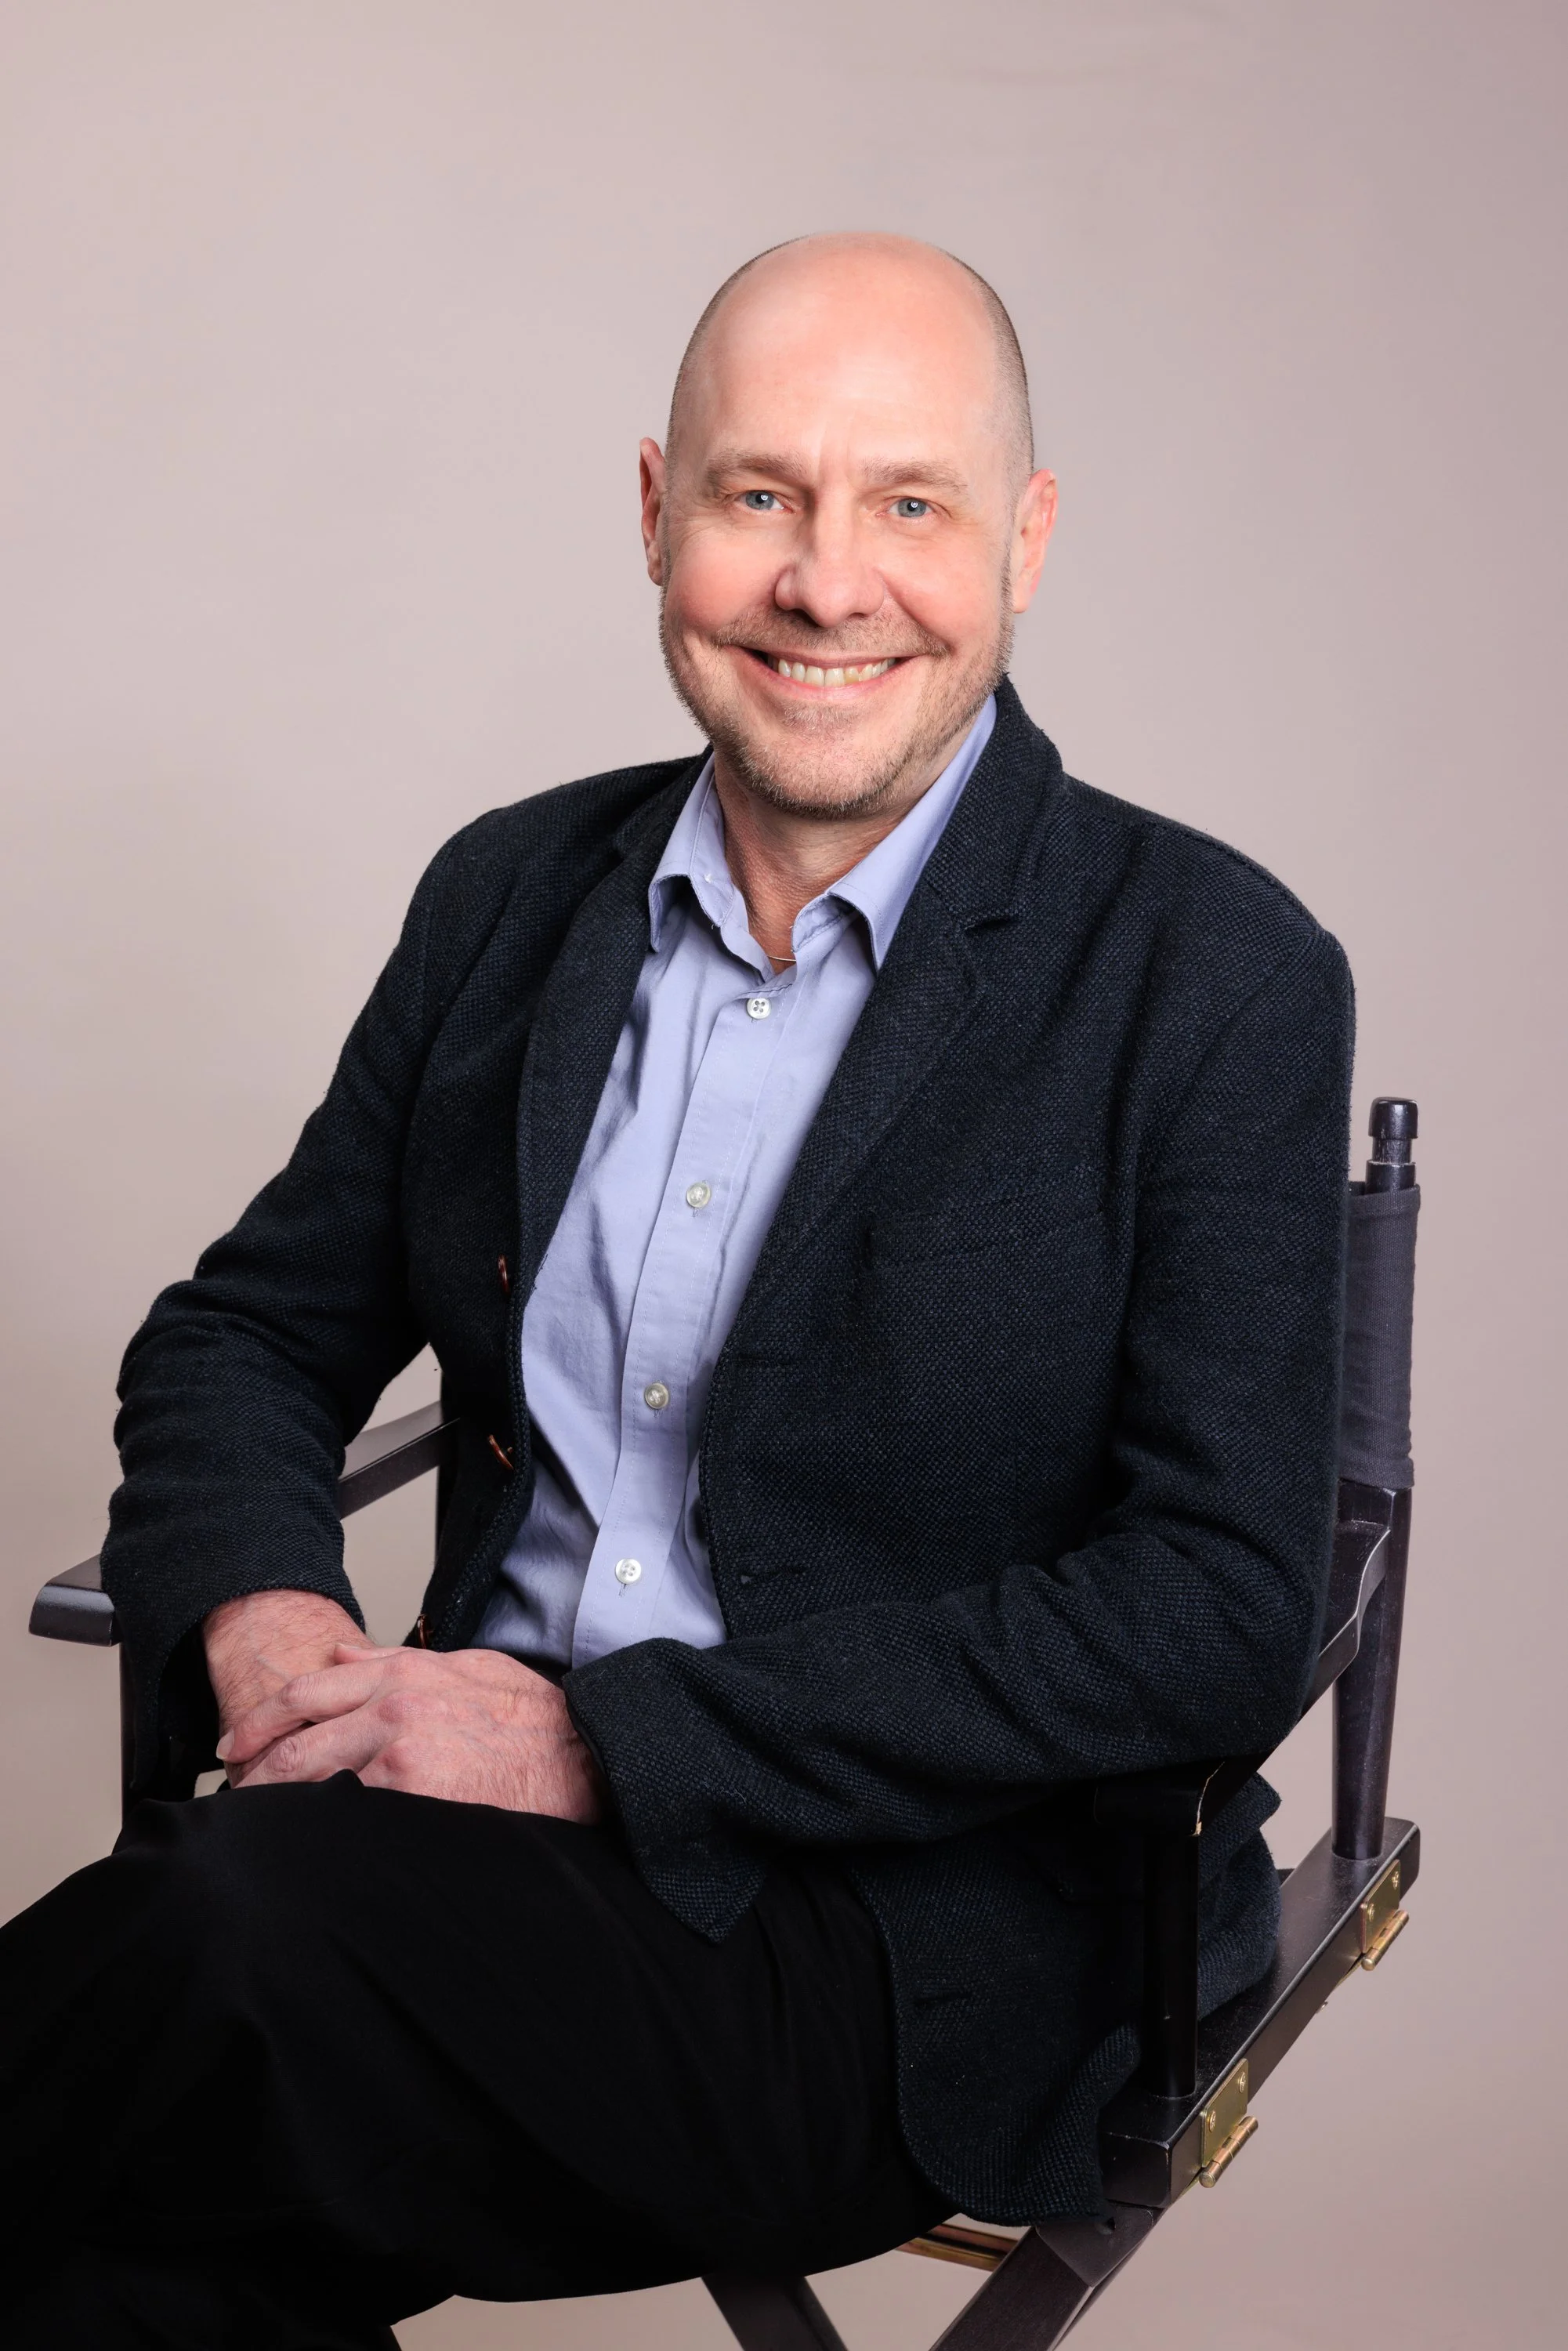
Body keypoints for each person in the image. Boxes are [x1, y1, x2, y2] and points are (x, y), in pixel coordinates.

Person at [0, 232, 1353, 2349]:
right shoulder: (514, 894)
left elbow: (1213, 1603)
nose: (830, 582)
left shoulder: (1210, 974)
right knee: (146, 2253)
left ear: (1027, 541)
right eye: (760, 497)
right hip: (429, 1865)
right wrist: (263, 1621)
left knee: (236, 1947)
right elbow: (250, 1335)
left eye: (909, 503)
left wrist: (591, 1742)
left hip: (908, 1942)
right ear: (658, 514)